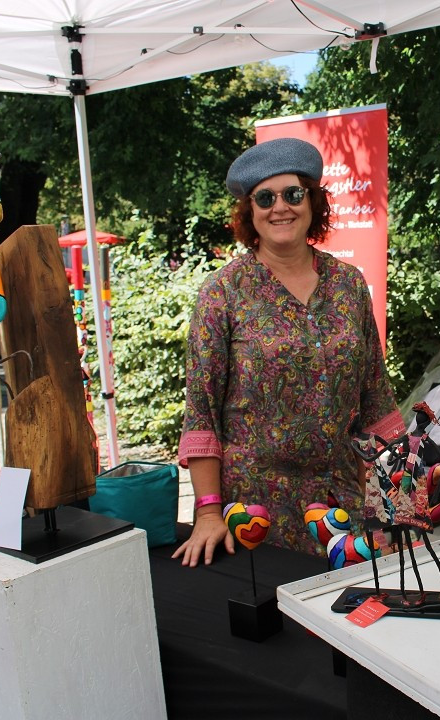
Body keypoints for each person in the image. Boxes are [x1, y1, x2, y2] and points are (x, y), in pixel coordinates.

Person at [173, 137, 404, 566]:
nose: (280, 207)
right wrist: (207, 511)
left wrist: (397, 503)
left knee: (347, 623)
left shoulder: (348, 285)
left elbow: (375, 395)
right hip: (250, 516)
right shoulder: (223, 292)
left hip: (340, 505)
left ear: (313, 203)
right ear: (250, 212)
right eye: (265, 198)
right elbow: (201, 408)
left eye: (293, 194)